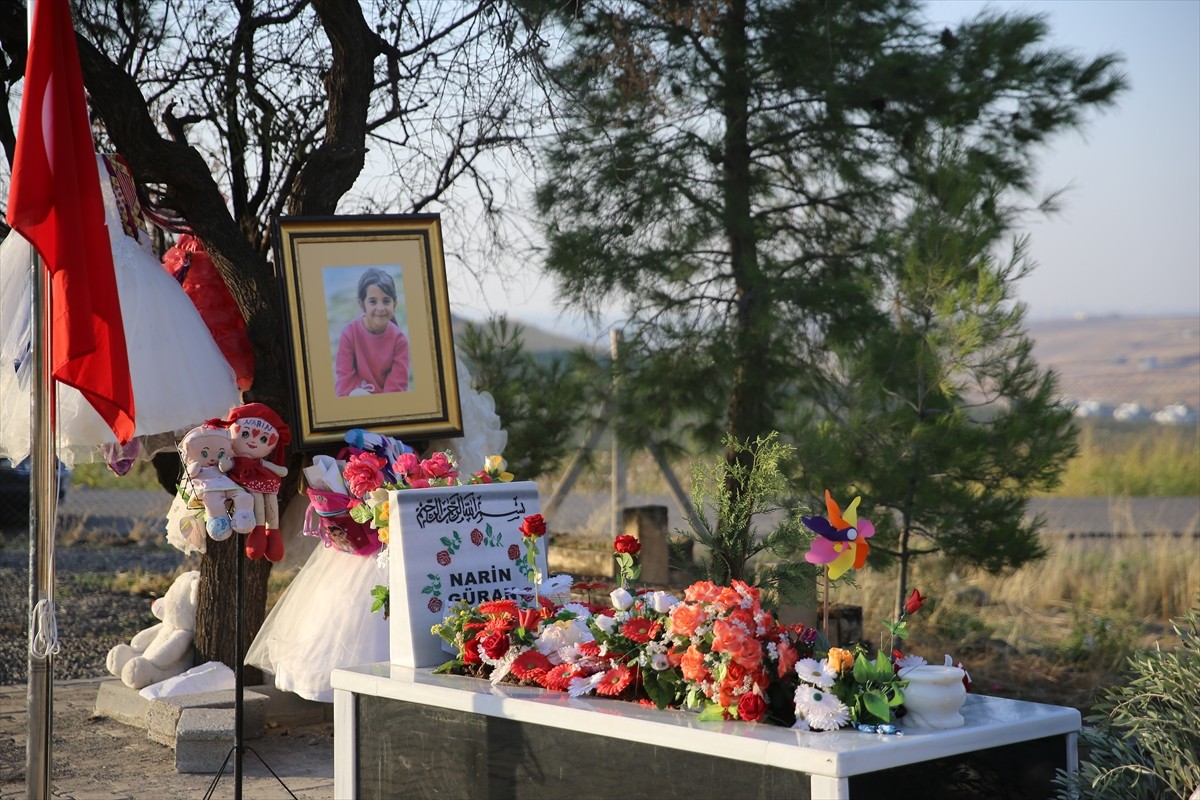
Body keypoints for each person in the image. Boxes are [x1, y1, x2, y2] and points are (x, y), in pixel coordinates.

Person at [333, 267, 410, 396]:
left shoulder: (400, 340)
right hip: (357, 400)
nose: (380, 308)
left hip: (387, 405)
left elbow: (397, 387)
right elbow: (344, 382)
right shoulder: (349, 334)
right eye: (373, 301)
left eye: (386, 301)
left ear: (394, 304)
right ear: (362, 304)